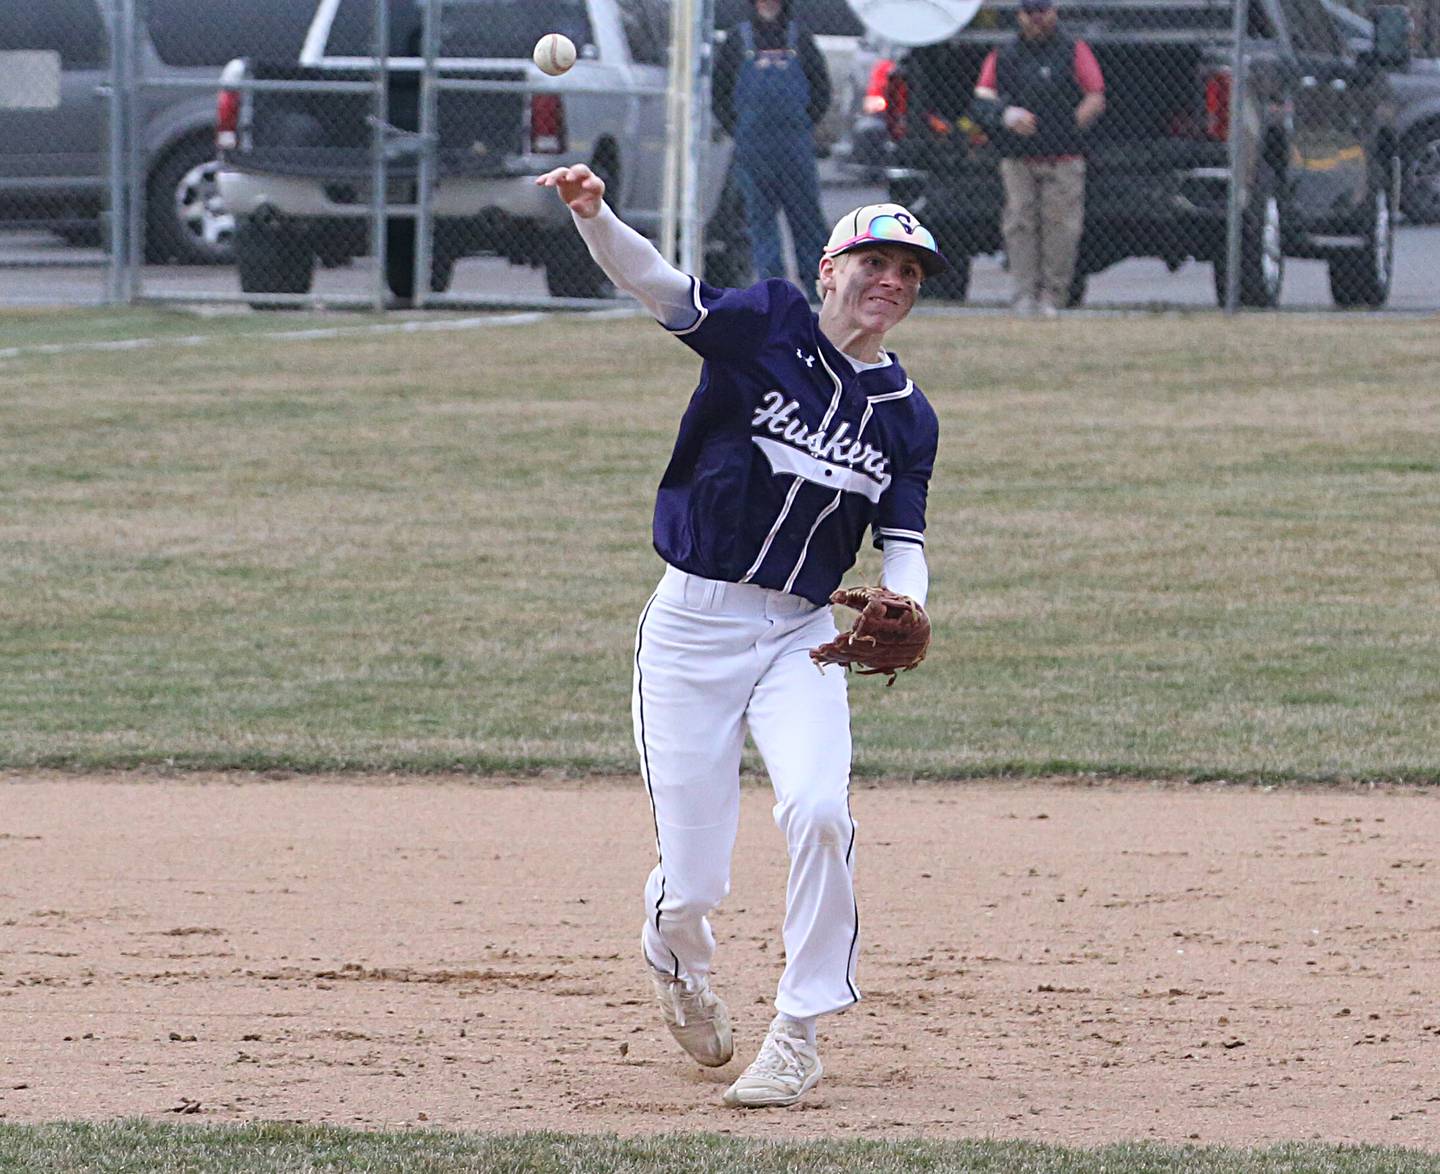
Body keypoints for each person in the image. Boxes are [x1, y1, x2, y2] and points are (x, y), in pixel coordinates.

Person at [534, 162, 944, 1108]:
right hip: (690, 630)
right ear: (830, 267)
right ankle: (676, 959)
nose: (893, 281)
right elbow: (660, 288)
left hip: (800, 637)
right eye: (876, 260)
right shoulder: (766, 323)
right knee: (694, 879)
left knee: (819, 812)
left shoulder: (906, 417)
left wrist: (909, 603)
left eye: (911, 272)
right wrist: (596, 217)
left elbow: (904, 537)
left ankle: (797, 1034)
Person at [972, 0, 1105, 316]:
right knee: (1019, 223)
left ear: (1054, 13)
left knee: (1060, 226)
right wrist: (1005, 116)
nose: (1037, 21)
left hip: (1063, 157)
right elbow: (981, 100)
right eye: (1030, 14)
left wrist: (1070, 128)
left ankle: (1053, 295)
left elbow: (1095, 95)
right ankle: (1023, 295)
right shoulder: (1004, 54)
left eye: (1042, 13)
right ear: (1019, 16)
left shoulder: (1073, 50)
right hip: (1018, 158)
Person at [713, 0, 832, 290]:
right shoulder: (736, 40)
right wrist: (740, 129)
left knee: (806, 219)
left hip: (795, 146)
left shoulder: (800, 38)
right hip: (753, 148)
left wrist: (802, 125)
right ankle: (774, 291)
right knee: (760, 221)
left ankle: (818, 288)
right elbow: (720, 93)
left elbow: (821, 90)